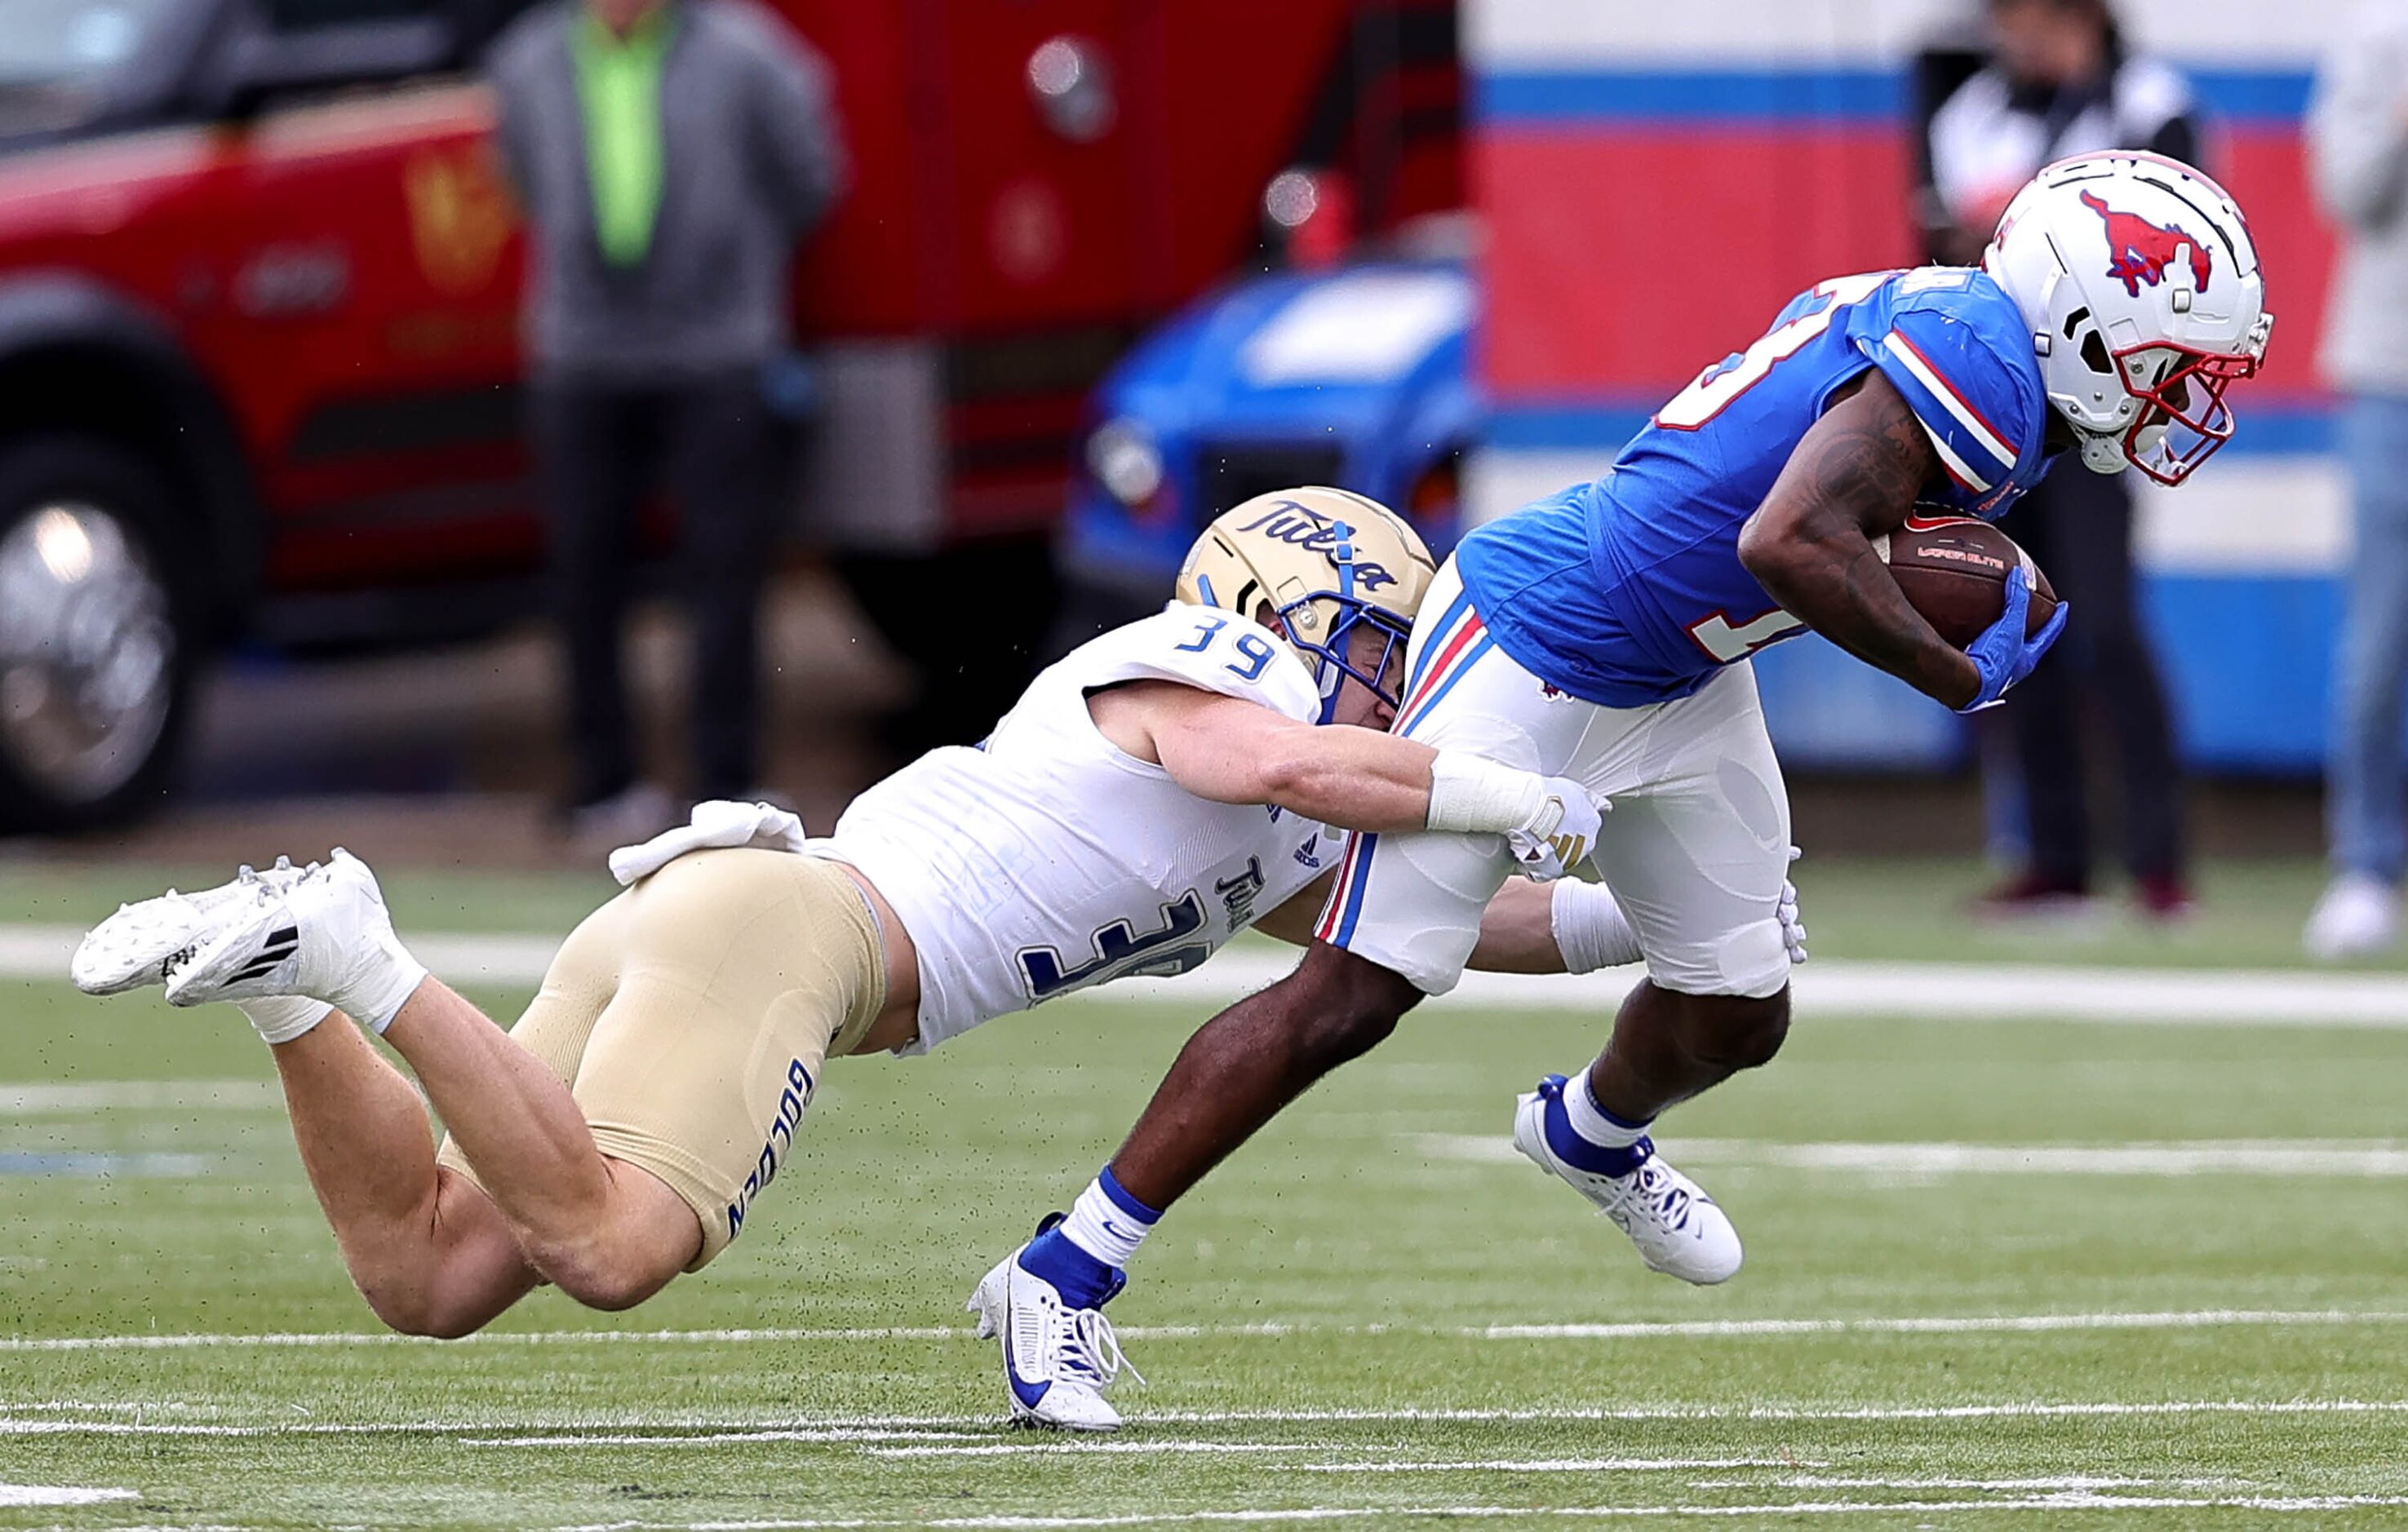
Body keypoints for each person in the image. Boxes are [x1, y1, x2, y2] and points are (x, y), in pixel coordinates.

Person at [977, 153, 2273, 1430]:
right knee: (1351, 993)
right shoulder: (1977, 355)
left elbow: (1798, 528)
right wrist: (1948, 666)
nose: (2180, 401)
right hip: (1540, 634)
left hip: (1687, 667)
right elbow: (1787, 539)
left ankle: (1590, 1129)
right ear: (2092, 320)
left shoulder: (1977, 348)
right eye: (2171, 364)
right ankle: (1060, 1270)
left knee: (1736, 1005)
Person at [69, 490, 1705, 1345]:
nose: (1389, 676)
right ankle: (359, 942)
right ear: (1301, 612)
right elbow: (1285, 752)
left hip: (740, 921)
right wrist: (1494, 790)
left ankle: (299, 988)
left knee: (433, 1273)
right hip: (795, 937)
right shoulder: (1229, 680)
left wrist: (1651, 925)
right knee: (616, 1249)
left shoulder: (1273, 811)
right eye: (1380, 640)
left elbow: (1409, 927)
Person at [488, 0, 847, 837]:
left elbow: (812, 177)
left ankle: (726, 779)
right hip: (580, 352)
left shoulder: (747, 50)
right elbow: (520, 177)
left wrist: (733, 259)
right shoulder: (529, 59)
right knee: (582, 571)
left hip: (716, 349)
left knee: (724, 571)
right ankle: (601, 780)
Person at [1922, 0, 2202, 919]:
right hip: (1996, 400)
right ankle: (2053, 857)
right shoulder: (1969, 112)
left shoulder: (2148, 104)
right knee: (2010, 616)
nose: (2008, 33)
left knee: (2109, 626)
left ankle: (2158, 863)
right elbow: (1949, 247)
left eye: (2023, 14)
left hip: (2102, 405)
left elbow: (2173, 256)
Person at [2303, 6, 2408, 959]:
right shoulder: (2380, 38)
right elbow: (2344, 190)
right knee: (2377, 644)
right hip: (2390, 379)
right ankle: (2365, 865)